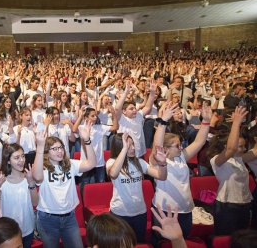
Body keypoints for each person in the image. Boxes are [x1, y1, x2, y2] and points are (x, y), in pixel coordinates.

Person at [150, 102, 212, 241]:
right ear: (166, 148)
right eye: (177, 145)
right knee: (164, 243)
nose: (181, 146)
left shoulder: (181, 157)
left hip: (186, 209)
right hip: (166, 212)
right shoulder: (157, 160)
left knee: (182, 241)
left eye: (181, 144)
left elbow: (199, 142)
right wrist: (163, 122)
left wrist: (206, 121)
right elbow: (157, 145)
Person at [32, 121, 96, 248]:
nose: (60, 151)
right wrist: (40, 146)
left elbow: (91, 164)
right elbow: (37, 177)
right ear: (47, 151)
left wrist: (87, 140)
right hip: (47, 219)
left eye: (61, 147)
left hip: (69, 218)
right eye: (54, 149)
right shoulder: (42, 166)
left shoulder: (70, 164)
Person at [106, 132, 167, 243]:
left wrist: (163, 164)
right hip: (120, 213)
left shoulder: (139, 162)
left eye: (133, 144)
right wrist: (124, 149)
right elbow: (113, 174)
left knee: (138, 243)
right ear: (120, 147)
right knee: (121, 244)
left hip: (140, 212)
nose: (133, 148)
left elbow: (161, 176)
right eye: (129, 146)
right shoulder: (112, 162)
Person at [210, 106, 256, 235]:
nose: (243, 149)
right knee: (225, 239)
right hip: (227, 205)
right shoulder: (218, 161)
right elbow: (231, 149)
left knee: (240, 239)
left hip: (245, 203)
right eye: (239, 146)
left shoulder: (240, 159)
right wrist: (236, 123)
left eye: (243, 146)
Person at [0, 143, 38, 248]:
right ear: (8, 160)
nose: (21, 160)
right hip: (8, 235)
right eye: (16, 158)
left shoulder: (28, 177)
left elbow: (35, 203)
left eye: (22, 156)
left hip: (27, 229)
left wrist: (31, 183)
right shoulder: (0, 180)